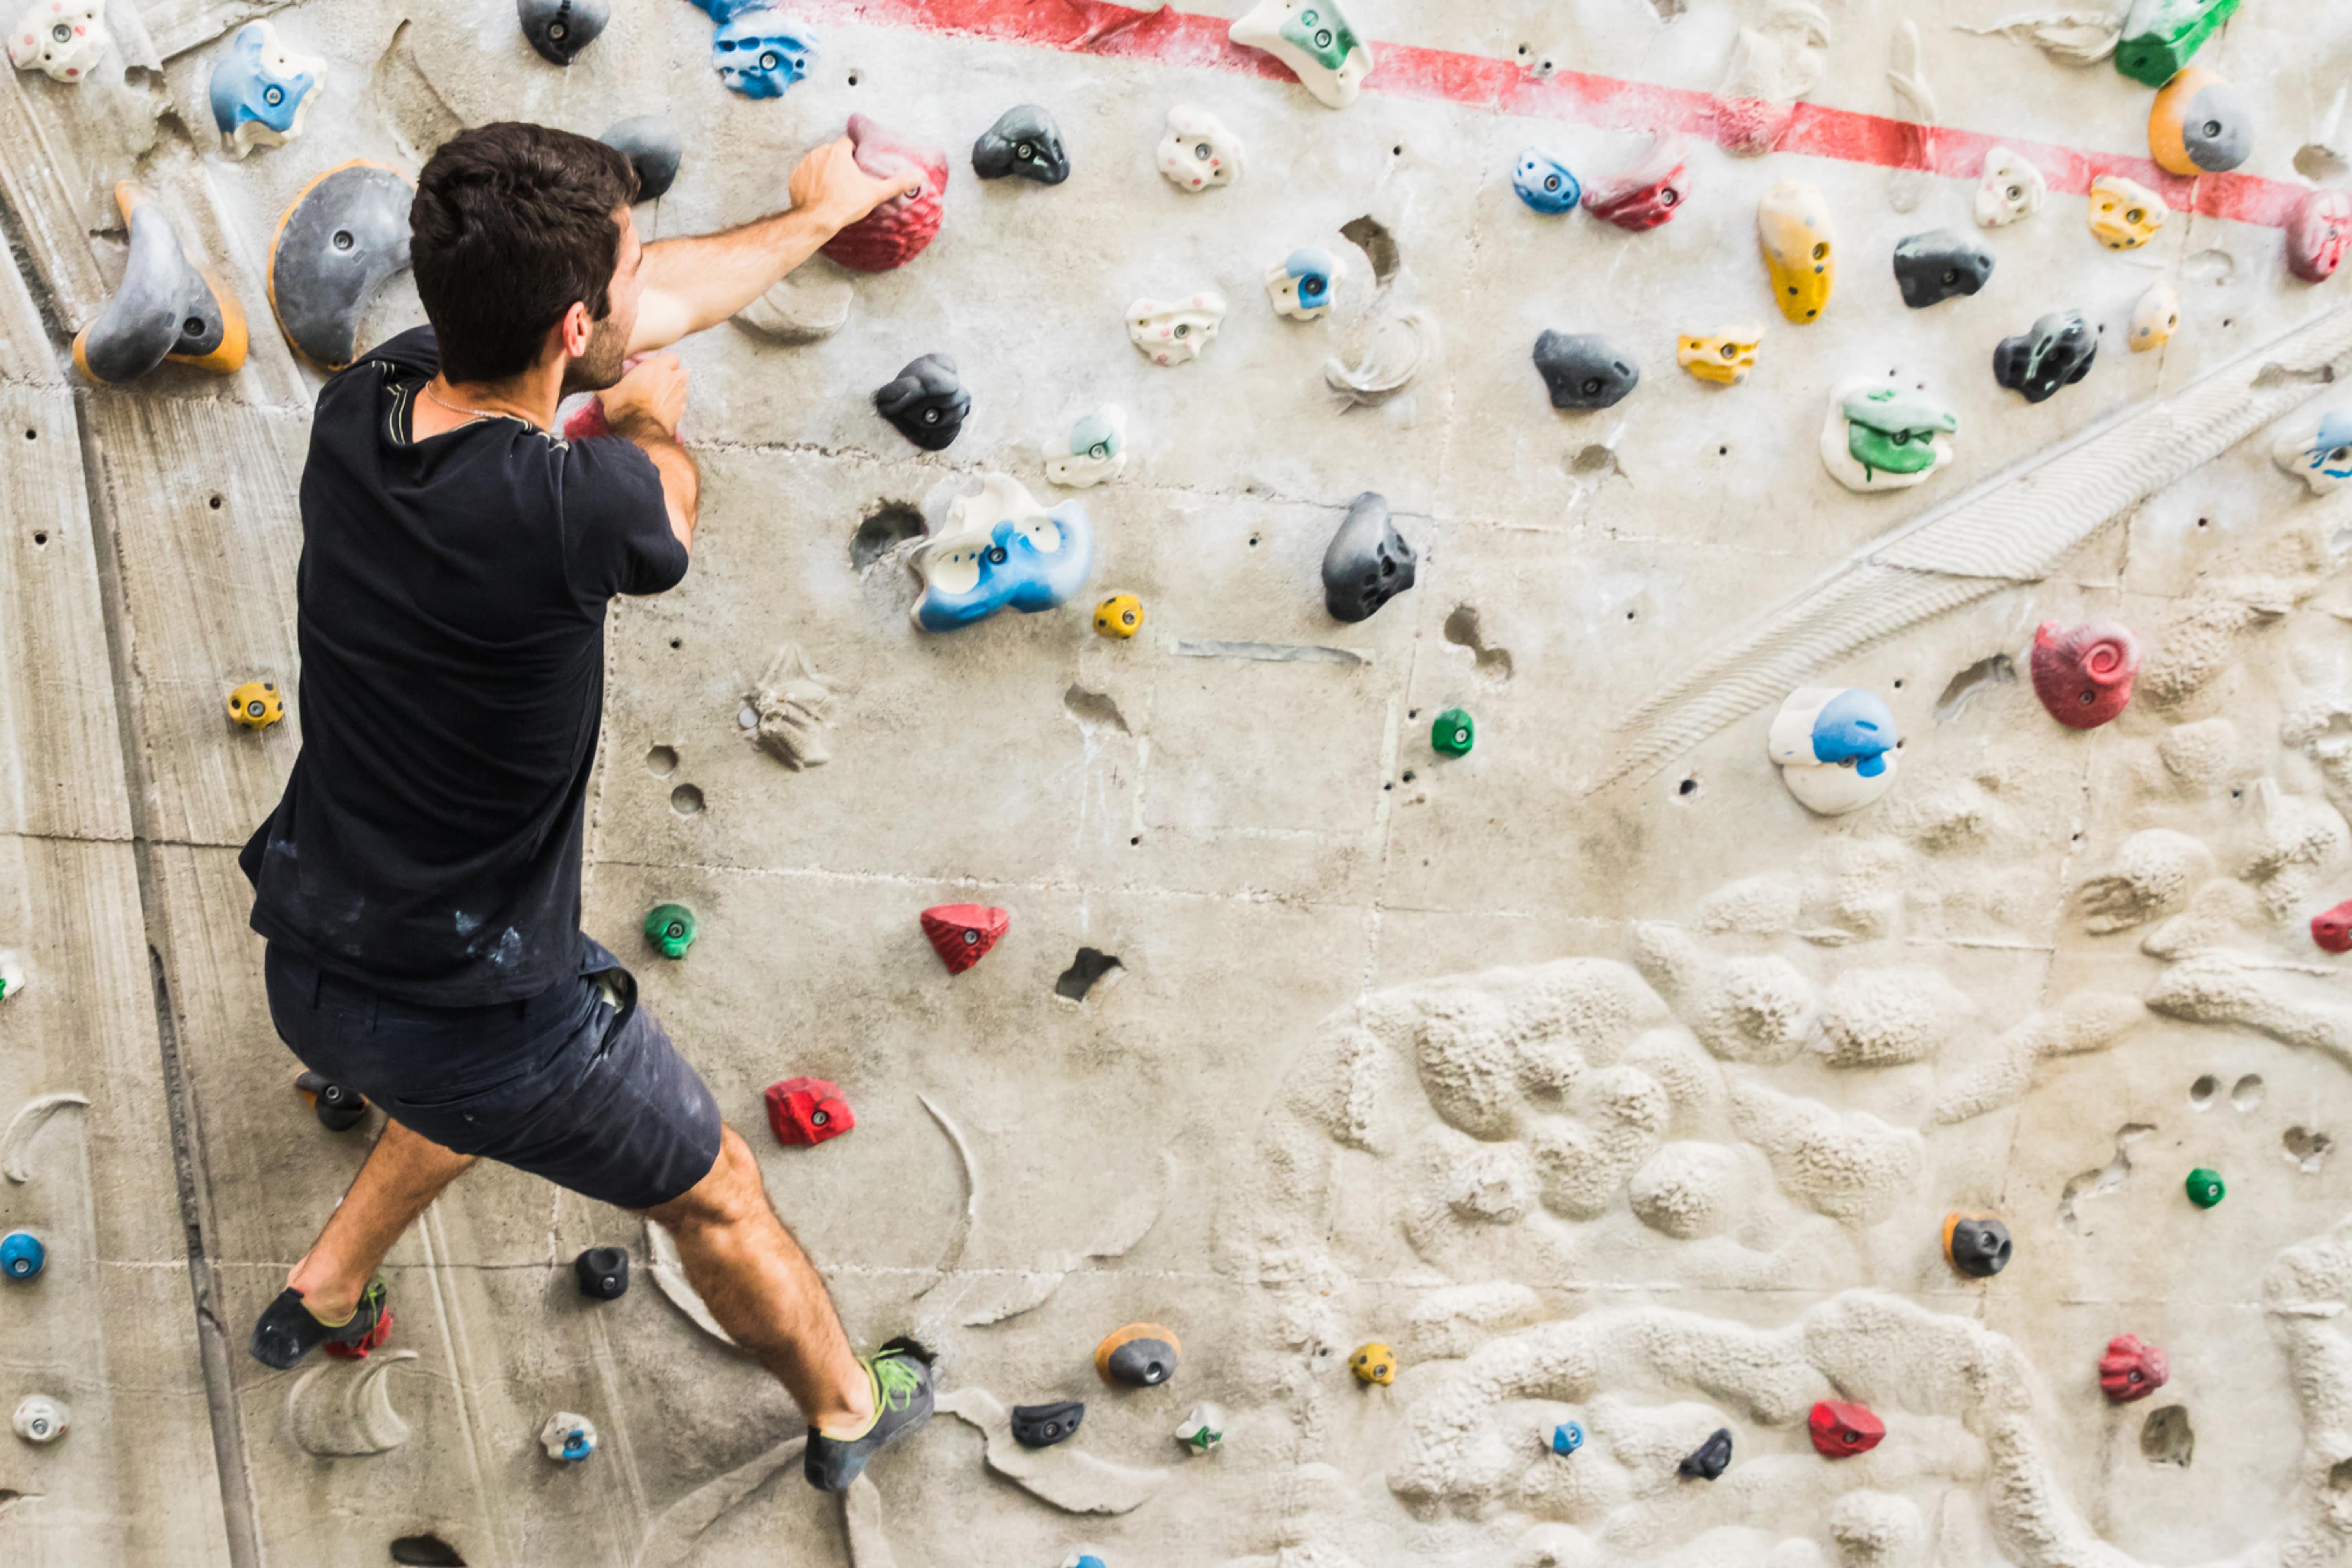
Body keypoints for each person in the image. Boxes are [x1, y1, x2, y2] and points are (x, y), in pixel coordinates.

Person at [239, 121, 931, 1493]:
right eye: (618, 278)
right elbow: (662, 511)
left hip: (316, 954)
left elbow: (645, 301)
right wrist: (655, 419)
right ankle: (851, 1407)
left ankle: (327, 1288)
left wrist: (810, 221)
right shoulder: (587, 506)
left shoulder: (367, 403)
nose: (639, 291)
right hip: (490, 1010)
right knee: (716, 1186)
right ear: (569, 323)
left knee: (450, 1090)